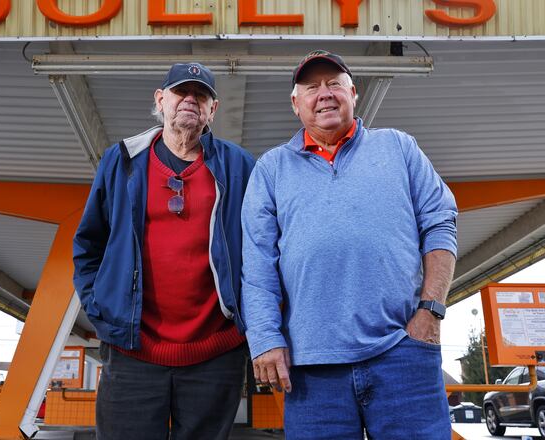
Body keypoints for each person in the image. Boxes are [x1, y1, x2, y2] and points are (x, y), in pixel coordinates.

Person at [241, 50, 458, 439]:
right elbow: (257, 267)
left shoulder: (398, 147)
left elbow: (440, 223)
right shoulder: (271, 169)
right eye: (311, 87)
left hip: (402, 352)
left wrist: (431, 310)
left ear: (353, 93)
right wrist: (265, 340)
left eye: (334, 84)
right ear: (295, 103)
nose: (324, 94)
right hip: (311, 369)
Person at [73, 62, 255, 440]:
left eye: (201, 94)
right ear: (160, 100)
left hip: (216, 353)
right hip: (133, 351)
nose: (190, 100)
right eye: (180, 92)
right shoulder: (121, 160)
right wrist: (100, 307)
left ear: (213, 109)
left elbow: (263, 247)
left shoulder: (239, 165)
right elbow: (89, 244)